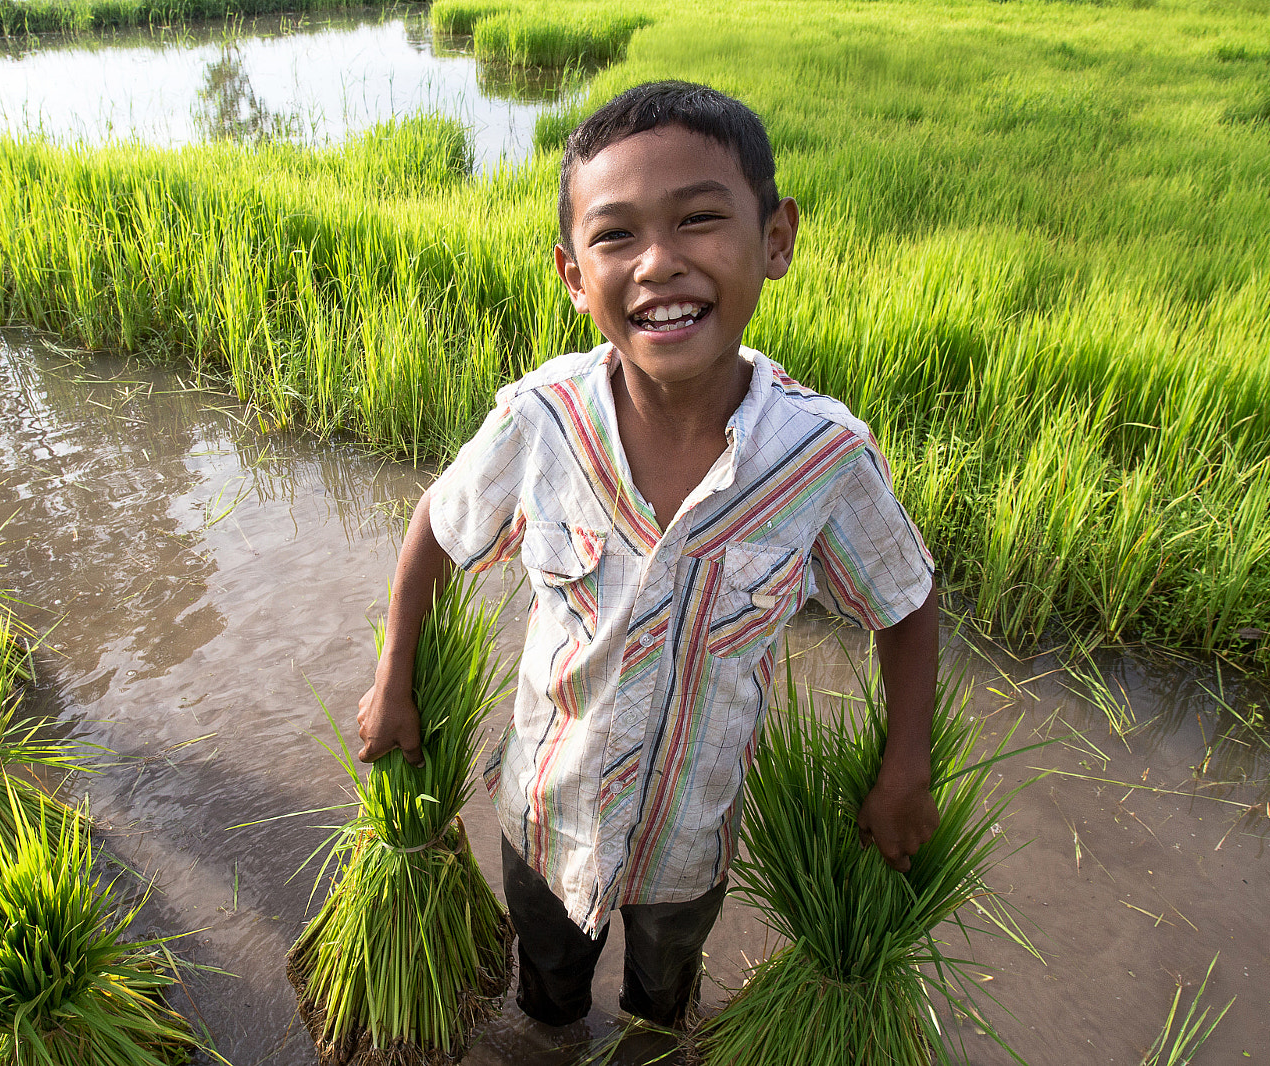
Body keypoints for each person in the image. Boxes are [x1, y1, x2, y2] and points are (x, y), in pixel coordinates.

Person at [355, 80, 940, 1031]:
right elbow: (437, 522)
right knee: (547, 992)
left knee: (663, 1002)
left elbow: (905, 600)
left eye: (701, 219)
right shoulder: (541, 423)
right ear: (574, 275)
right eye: (615, 235)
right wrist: (395, 680)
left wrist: (904, 768)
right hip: (545, 820)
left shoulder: (820, 458)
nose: (659, 264)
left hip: (690, 839)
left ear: (776, 239)